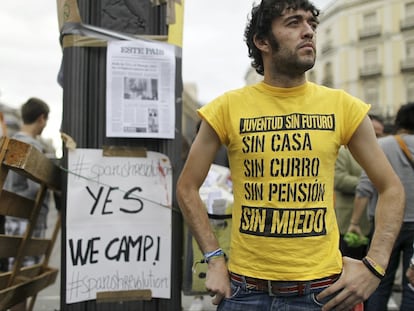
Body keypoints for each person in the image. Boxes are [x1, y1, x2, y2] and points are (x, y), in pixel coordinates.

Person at [176, 1, 405, 310]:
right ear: (262, 41)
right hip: (245, 293)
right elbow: (186, 187)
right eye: (294, 23)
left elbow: (391, 187)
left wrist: (375, 265)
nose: (308, 31)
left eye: (311, 23)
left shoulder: (344, 107)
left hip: (322, 294)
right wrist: (214, 259)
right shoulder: (225, 108)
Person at [349, 103, 414, 311]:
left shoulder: (384, 145)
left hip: (388, 224)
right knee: (411, 285)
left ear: (397, 122)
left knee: (378, 280)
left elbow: (364, 188)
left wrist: (354, 222)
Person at [4, 97, 51, 311]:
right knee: (25, 283)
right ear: (41, 119)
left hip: (12, 222)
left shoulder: (10, 142)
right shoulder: (32, 148)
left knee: (14, 279)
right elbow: (35, 188)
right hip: (29, 223)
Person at [334, 115, 385, 260]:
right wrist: (371, 182)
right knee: (349, 261)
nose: (376, 139)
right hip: (349, 219)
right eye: (374, 134)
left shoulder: (381, 154)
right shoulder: (344, 153)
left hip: (373, 219)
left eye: (379, 135)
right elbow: (338, 179)